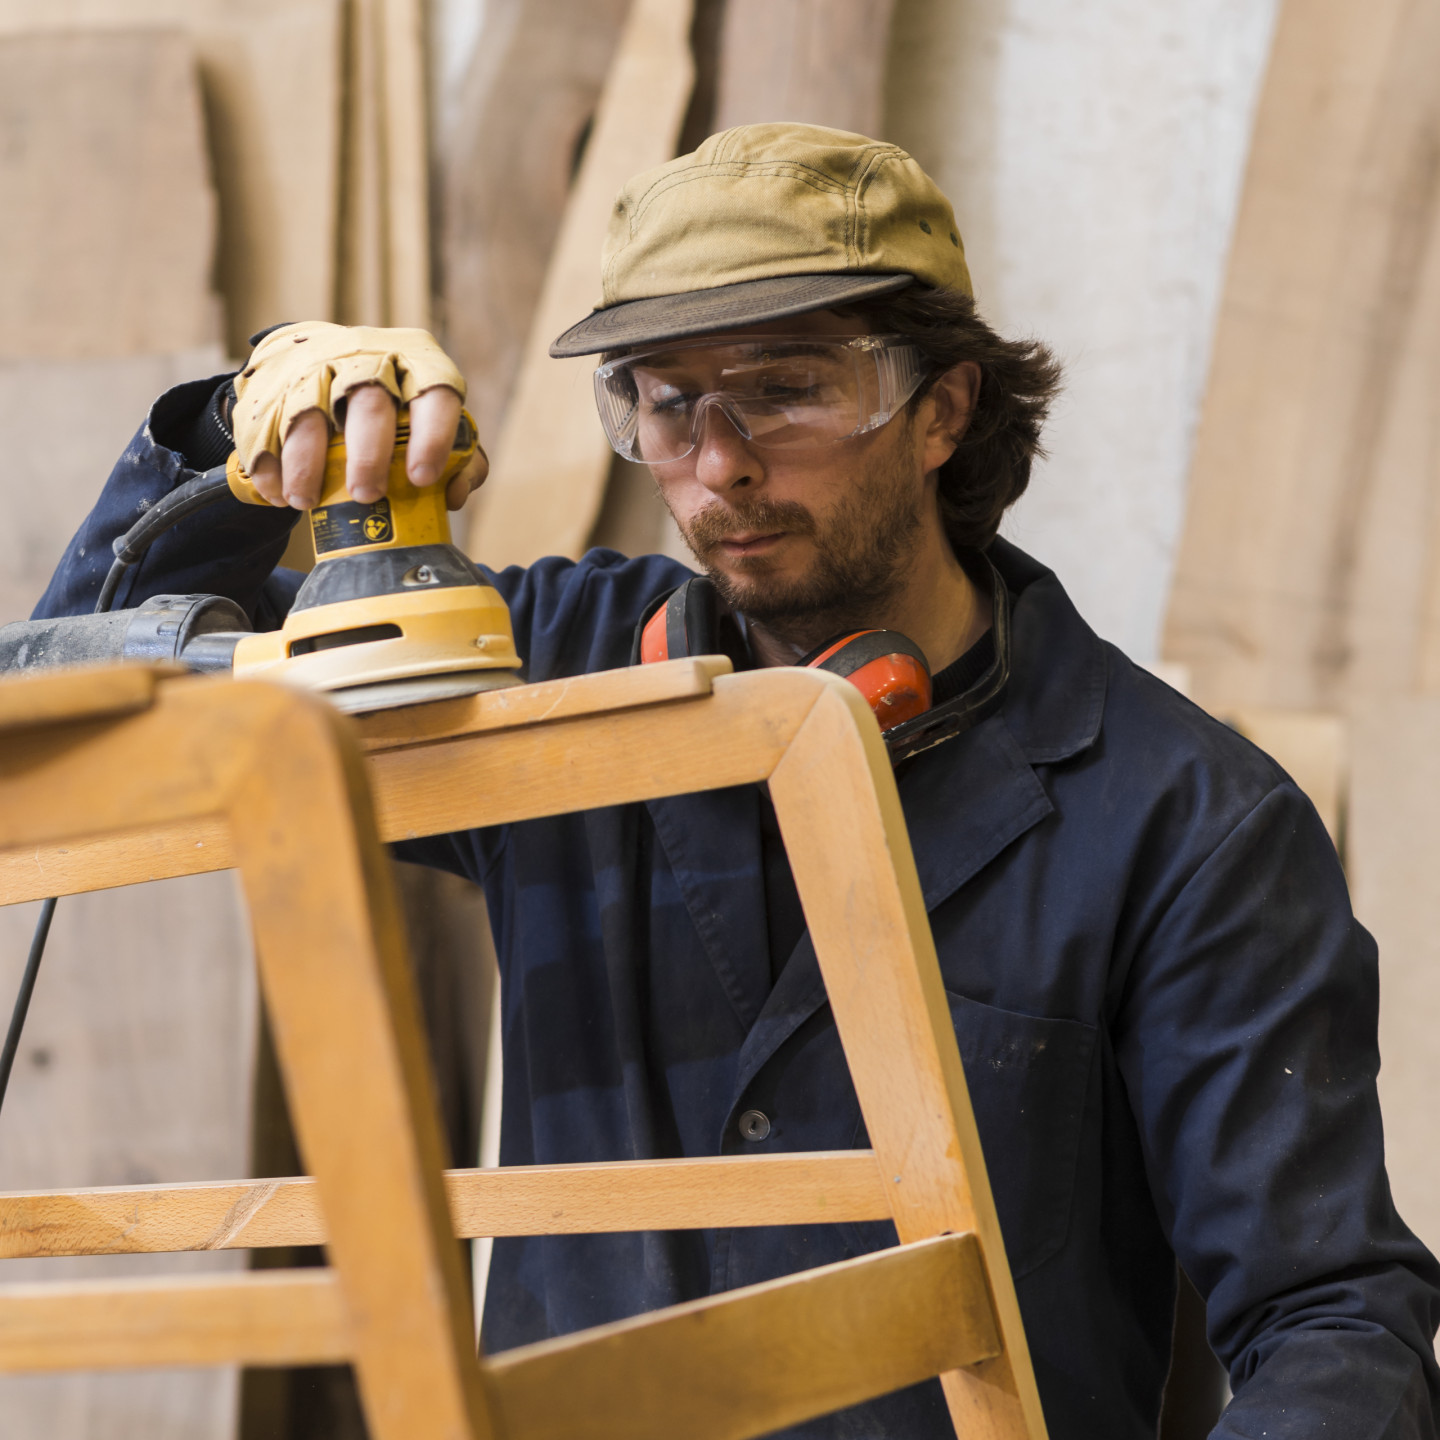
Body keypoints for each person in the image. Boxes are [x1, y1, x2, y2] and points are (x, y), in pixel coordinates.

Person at [33, 123, 1440, 1438]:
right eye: (663, 403)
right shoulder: (544, 680)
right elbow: (74, 714)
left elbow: (1335, 1320)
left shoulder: (1186, 822)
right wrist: (239, 433)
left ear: (942, 405)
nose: (716, 469)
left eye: (785, 391)